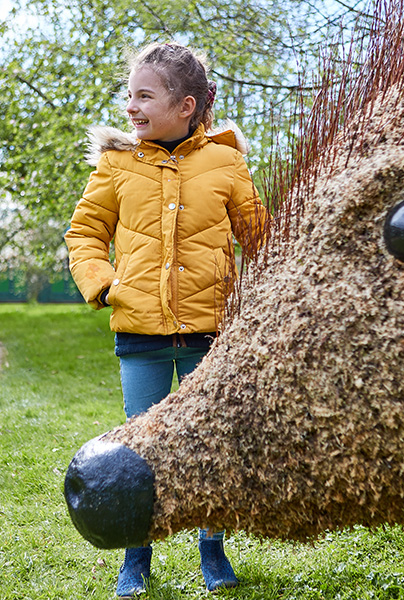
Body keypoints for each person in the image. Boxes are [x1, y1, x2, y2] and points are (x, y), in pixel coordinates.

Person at [65, 42, 269, 596]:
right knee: (140, 449)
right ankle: (136, 557)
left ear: (185, 105)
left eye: (144, 96)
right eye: (128, 94)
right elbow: (85, 234)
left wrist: (260, 296)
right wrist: (105, 285)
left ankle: (212, 550)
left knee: (210, 443)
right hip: (141, 336)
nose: (131, 106)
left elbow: (262, 240)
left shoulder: (225, 162)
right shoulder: (117, 163)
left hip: (210, 336)